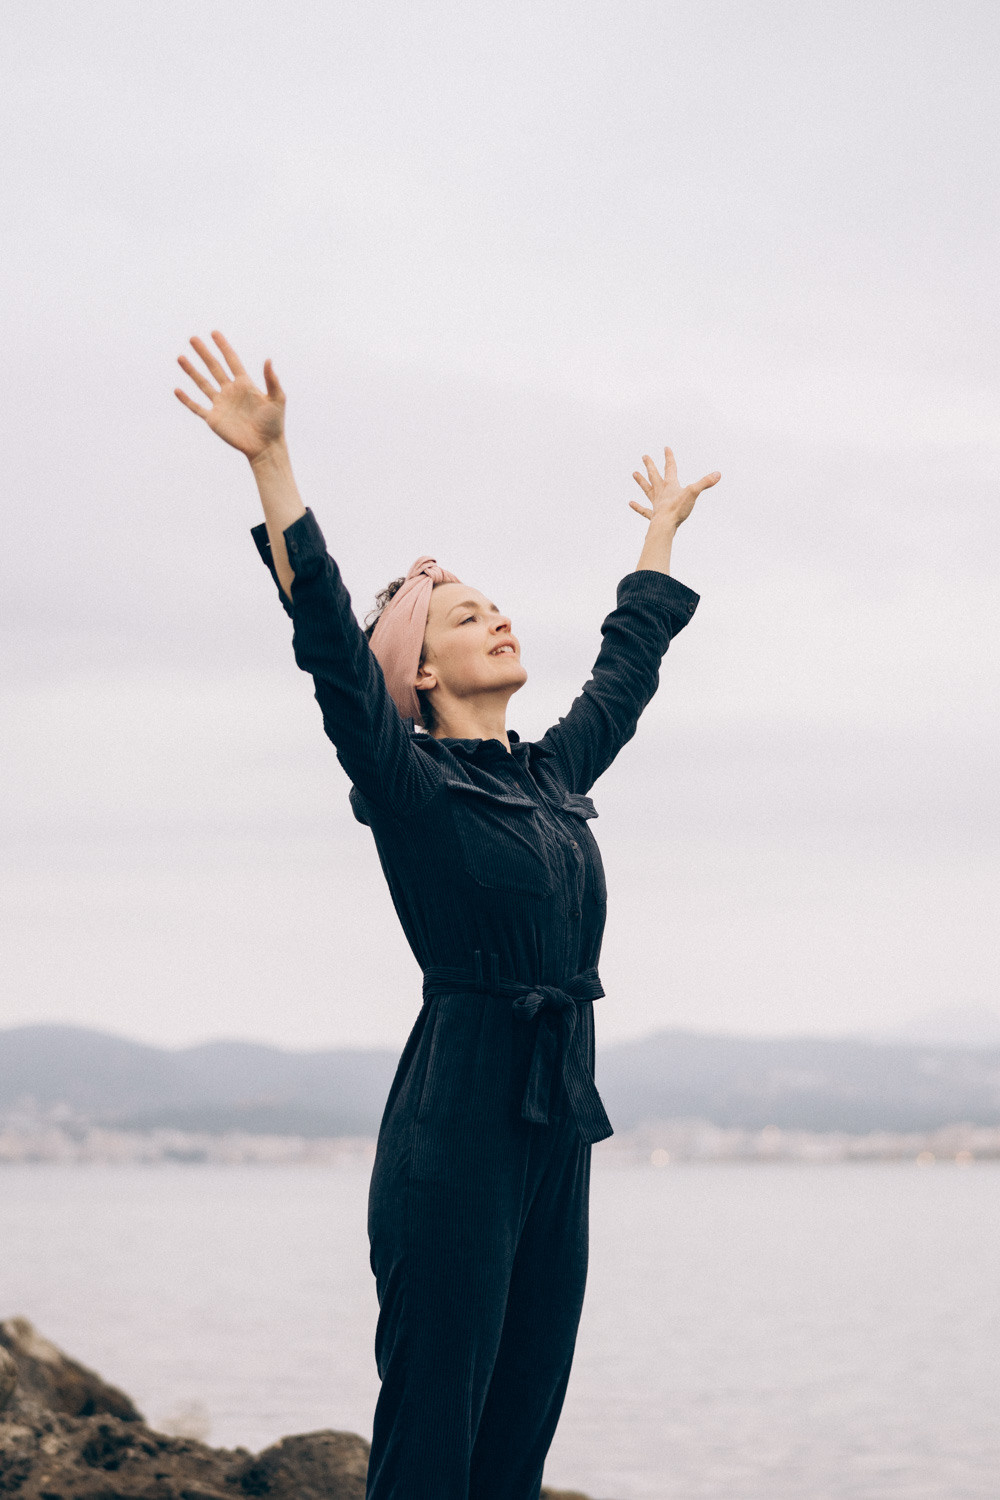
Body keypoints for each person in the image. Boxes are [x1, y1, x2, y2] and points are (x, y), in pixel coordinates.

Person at [174, 330, 720, 1500]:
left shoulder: (551, 776)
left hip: (557, 1114)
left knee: (521, 1421)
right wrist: (272, 467)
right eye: (469, 618)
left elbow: (624, 670)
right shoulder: (407, 783)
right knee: (435, 1424)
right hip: (459, 1118)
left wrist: (659, 533)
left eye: (500, 608)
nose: (501, 623)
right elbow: (324, 638)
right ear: (419, 669)